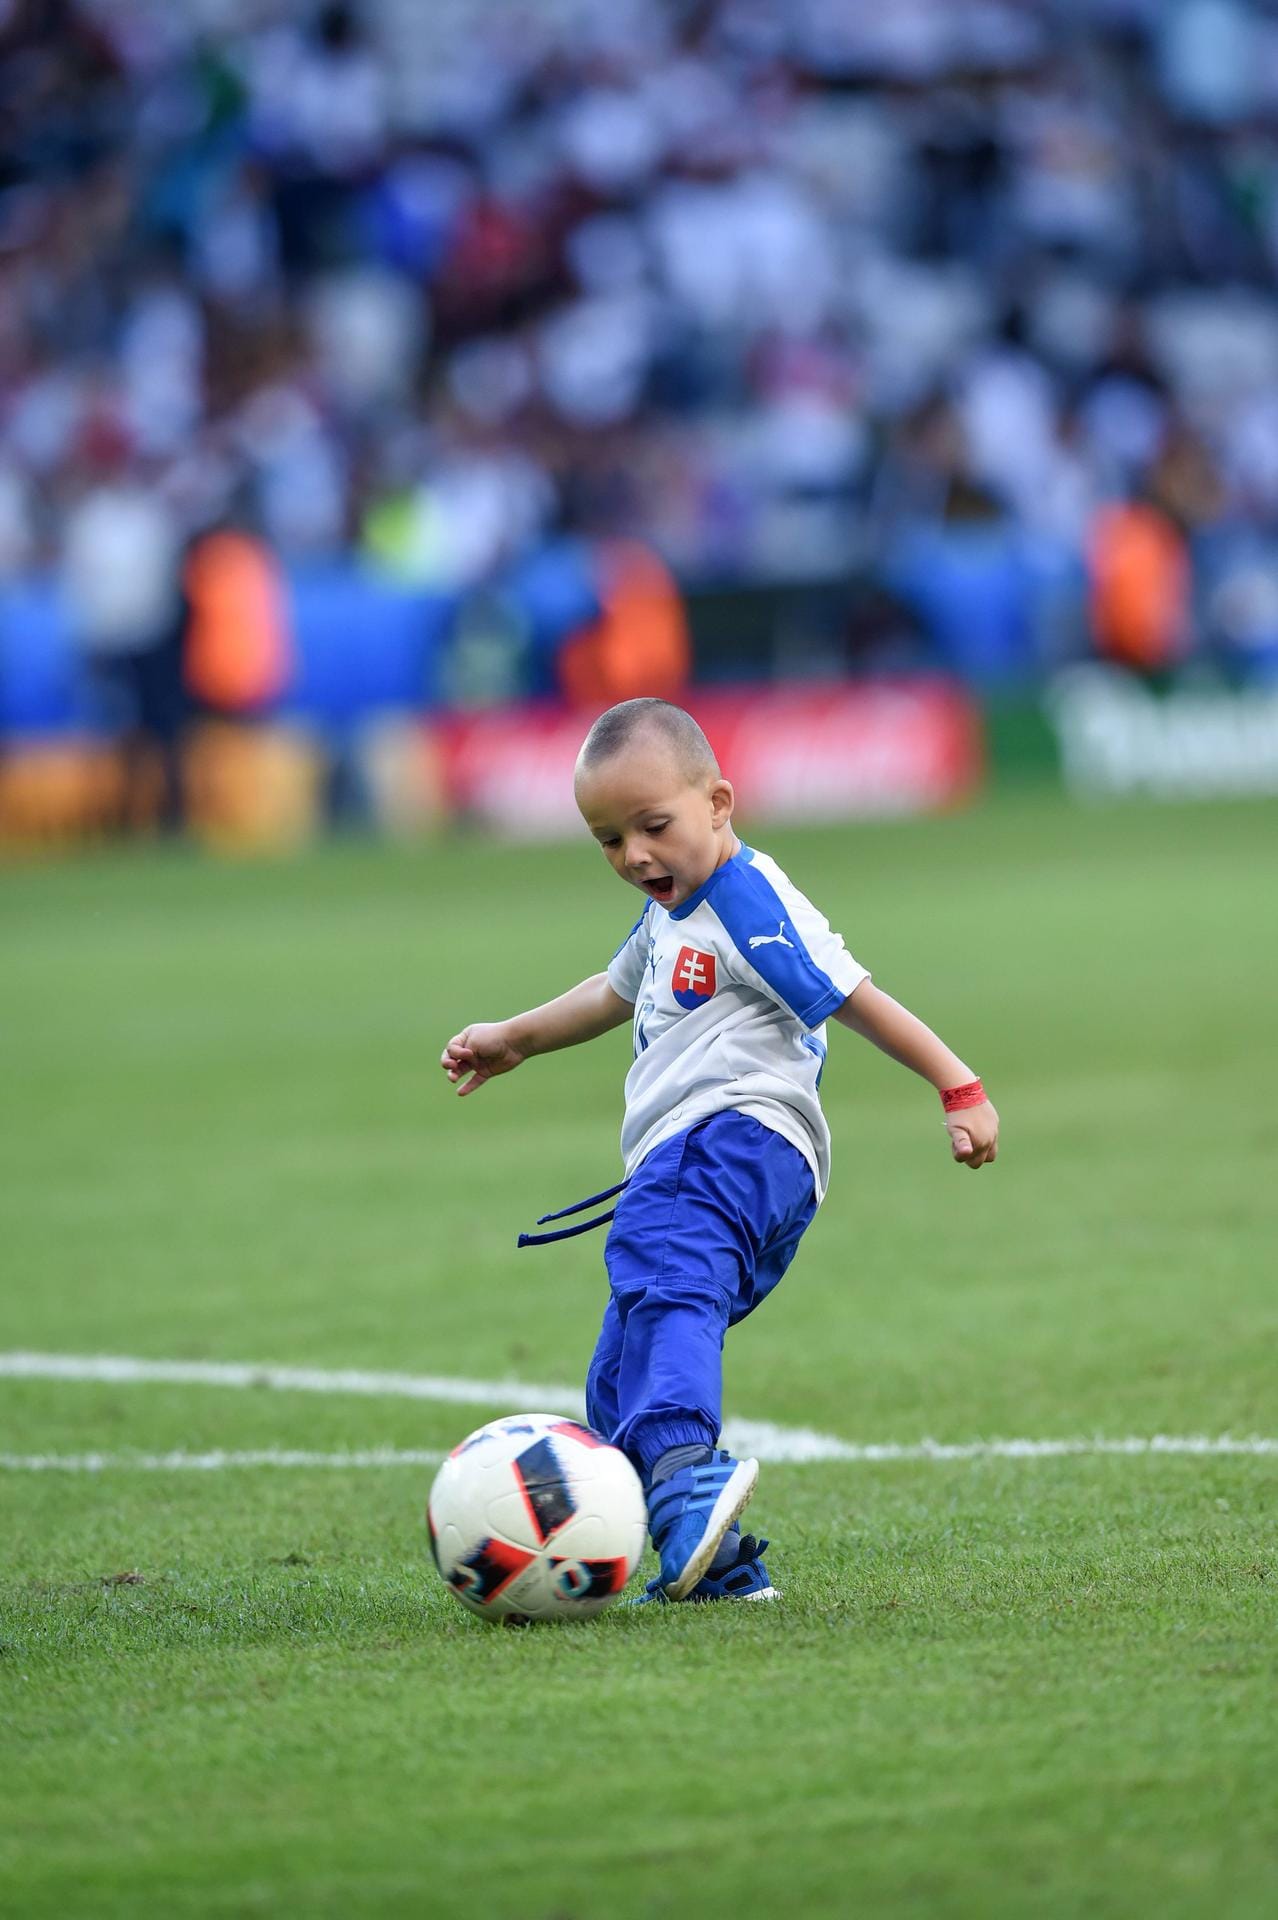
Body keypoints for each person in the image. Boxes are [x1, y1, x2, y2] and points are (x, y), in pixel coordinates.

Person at [440, 698, 999, 1605]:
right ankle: (713, 1561)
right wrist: (517, 1038)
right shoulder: (673, 913)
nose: (634, 856)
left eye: (653, 826)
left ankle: (689, 1476)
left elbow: (853, 993)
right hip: (707, 1159)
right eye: (609, 839)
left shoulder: (746, 899)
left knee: (663, 1276)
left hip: (734, 1141)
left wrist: (958, 1085)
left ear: (720, 803)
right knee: (618, 1371)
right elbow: (612, 991)